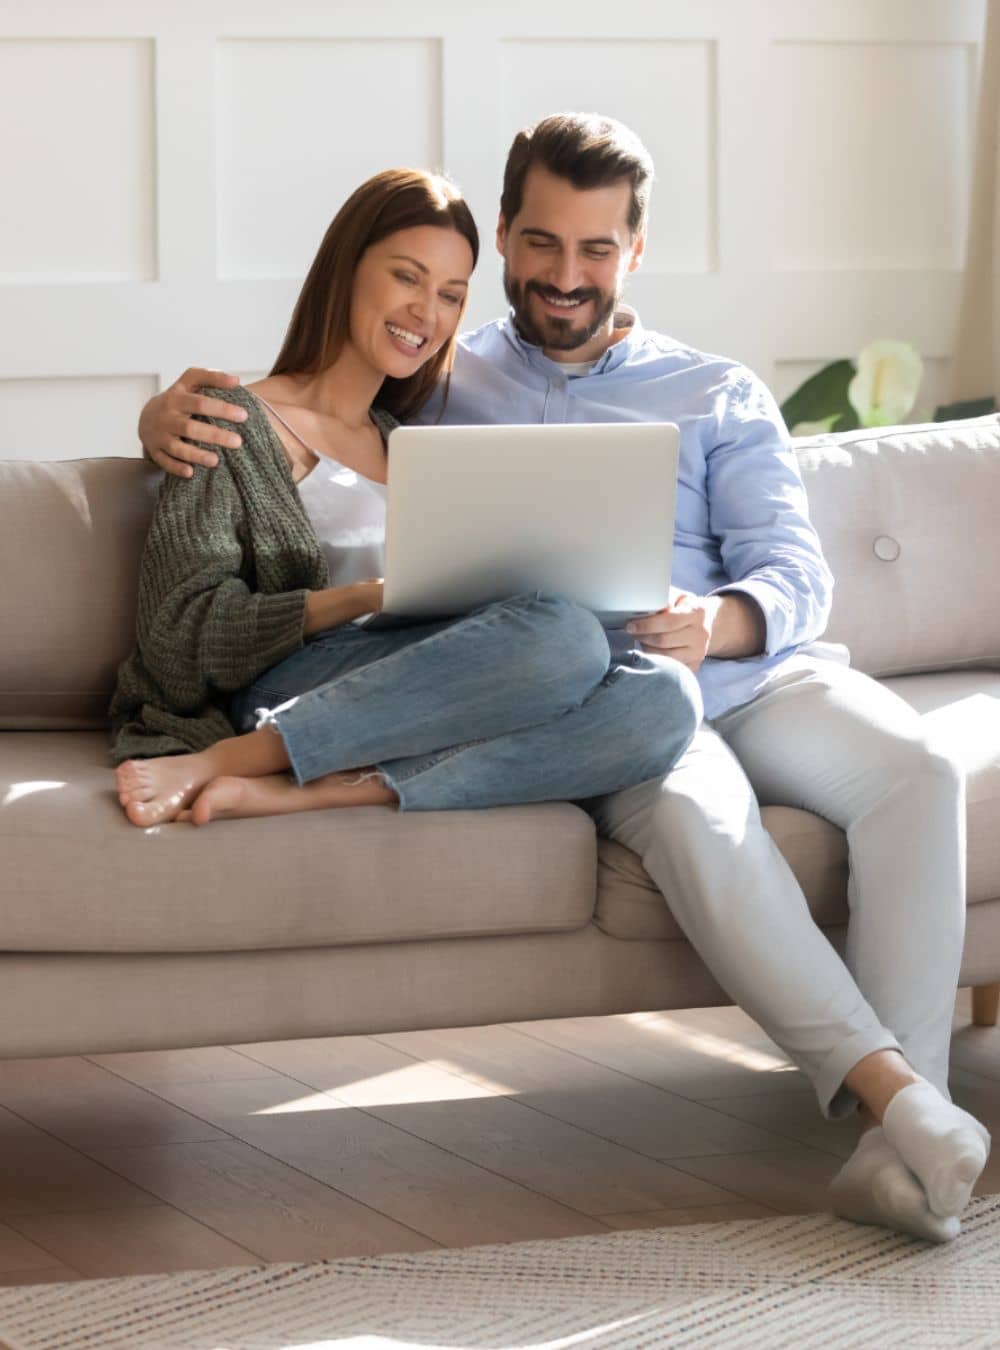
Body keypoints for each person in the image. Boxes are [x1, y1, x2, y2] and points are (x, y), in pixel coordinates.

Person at [136, 117, 989, 1245]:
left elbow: (795, 574)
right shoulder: (445, 375)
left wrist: (717, 620)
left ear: (634, 252)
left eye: (595, 251)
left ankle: (903, 1132)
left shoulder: (711, 389)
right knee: (678, 793)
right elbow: (293, 437)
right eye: (541, 245)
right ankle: (908, 1112)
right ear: (506, 239)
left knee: (920, 769)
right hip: (597, 695)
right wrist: (160, 419)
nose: (565, 276)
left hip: (731, 672)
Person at [111, 166, 701, 837]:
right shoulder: (226, 422)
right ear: (348, 267)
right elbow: (176, 640)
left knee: (665, 698)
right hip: (293, 688)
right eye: (406, 277)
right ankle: (240, 757)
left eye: (451, 295)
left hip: (423, 689)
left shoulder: (413, 442)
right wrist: (366, 596)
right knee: (562, 636)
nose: (428, 313)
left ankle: (324, 791)